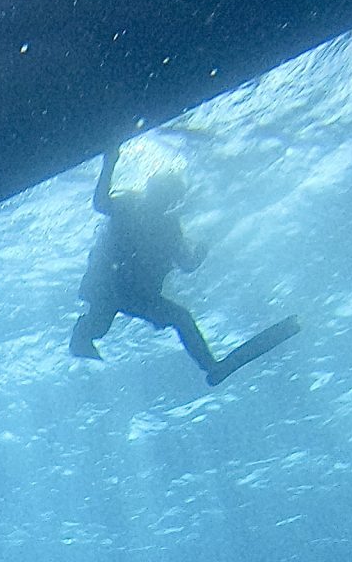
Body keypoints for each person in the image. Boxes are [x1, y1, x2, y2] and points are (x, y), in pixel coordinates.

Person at [70, 143, 298, 384]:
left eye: (168, 196)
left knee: (180, 318)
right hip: (110, 285)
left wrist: (200, 252)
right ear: (151, 188)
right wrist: (109, 163)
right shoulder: (129, 204)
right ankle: (83, 337)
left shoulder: (168, 227)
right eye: (162, 192)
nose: (163, 200)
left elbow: (187, 264)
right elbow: (101, 203)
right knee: (103, 322)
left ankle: (211, 366)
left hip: (133, 293)